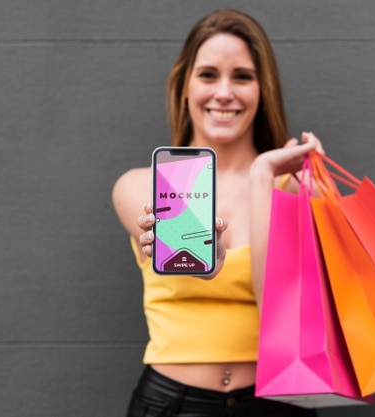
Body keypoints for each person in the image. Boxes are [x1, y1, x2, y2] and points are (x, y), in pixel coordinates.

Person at [112, 9, 323, 417]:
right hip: (172, 404)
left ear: (262, 89)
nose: (224, 92)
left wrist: (263, 177)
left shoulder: (292, 187)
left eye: (241, 76)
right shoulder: (141, 185)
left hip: (277, 401)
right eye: (208, 75)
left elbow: (279, 317)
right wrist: (209, 256)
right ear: (185, 85)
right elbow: (195, 261)